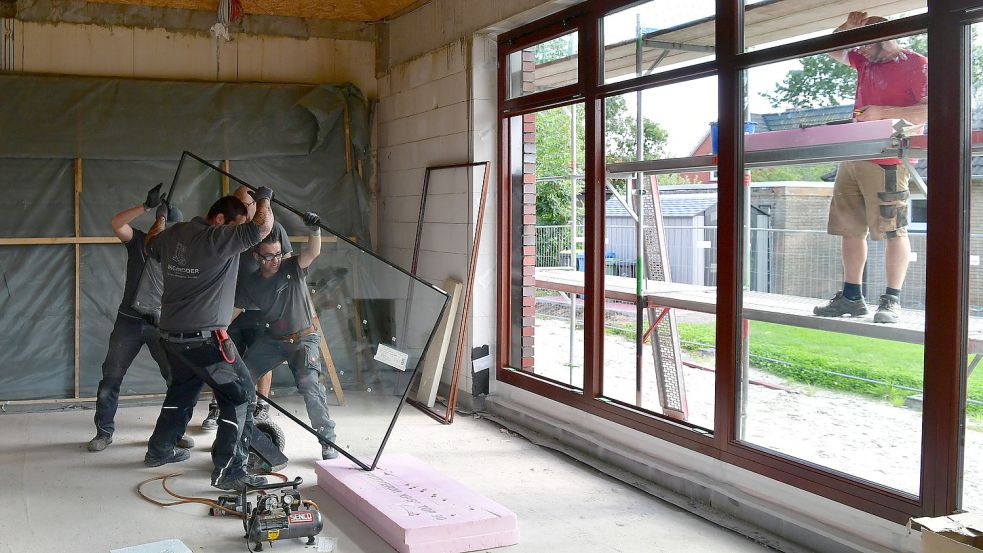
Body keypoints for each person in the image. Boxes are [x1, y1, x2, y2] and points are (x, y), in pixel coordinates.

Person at [142, 189, 274, 493]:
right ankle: (229, 472)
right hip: (204, 339)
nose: (236, 234)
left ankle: (159, 450)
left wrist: (161, 216)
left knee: (182, 391)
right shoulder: (217, 238)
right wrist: (265, 198)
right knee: (241, 396)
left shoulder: (175, 233)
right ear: (218, 219)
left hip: (172, 337)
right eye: (234, 225)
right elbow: (262, 228)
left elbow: (150, 244)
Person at [813, 11, 927, 324]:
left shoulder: (917, 64)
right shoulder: (865, 61)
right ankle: (851, 296)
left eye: (864, 43)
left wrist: (882, 112)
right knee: (849, 229)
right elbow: (833, 48)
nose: (858, 50)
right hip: (852, 155)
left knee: (893, 230)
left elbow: (928, 111)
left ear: (885, 38)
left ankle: (892, 300)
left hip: (889, 158)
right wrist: (847, 28)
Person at [87, 184, 193, 452]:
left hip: (165, 324)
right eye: (164, 225)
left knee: (176, 379)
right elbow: (116, 223)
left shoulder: (182, 254)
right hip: (129, 322)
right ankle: (104, 432)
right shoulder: (139, 242)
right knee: (111, 377)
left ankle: (173, 431)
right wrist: (145, 206)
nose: (168, 233)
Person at [234, 210, 339, 460]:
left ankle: (327, 441)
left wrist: (314, 230)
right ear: (256, 256)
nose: (275, 260)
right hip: (274, 340)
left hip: (304, 338)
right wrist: (213, 330)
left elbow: (313, 252)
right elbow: (234, 310)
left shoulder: (292, 266)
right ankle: (242, 432)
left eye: (278, 254)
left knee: (310, 385)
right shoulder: (251, 283)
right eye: (269, 256)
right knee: (243, 376)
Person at [200, 185, 292, 430]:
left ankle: (262, 407)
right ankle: (216, 407)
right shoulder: (231, 230)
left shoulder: (274, 228)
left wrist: (281, 301)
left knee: (262, 357)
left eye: (247, 205)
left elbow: (287, 265)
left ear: (256, 205)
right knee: (222, 356)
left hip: (261, 309)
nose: (243, 210)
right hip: (229, 307)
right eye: (237, 205)